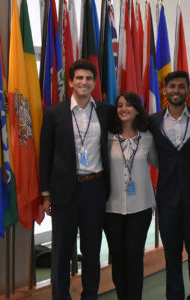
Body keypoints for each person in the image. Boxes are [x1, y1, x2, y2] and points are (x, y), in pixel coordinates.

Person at [39, 59, 114, 299]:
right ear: (70, 82)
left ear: (94, 83)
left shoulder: (105, 111)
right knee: (61, 251)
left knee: (92, 249)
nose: (84, 82)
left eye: (89, 78)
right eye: (79, 78)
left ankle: (90, 294)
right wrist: (45, 194)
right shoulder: (54, 113)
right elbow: (45, 155)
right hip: (64, 192)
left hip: (95, 188)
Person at [148, 71, 190, 300]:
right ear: (165, 90)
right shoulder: (152, 120)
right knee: (171, 256)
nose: (176, 90)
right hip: (167, 200)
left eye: (181, 87)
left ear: (188, 90)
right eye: (172, 86)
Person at [104, 92, 158, 300]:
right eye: (119, 105)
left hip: (141, 207)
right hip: (112, 208)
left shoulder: (148, 137)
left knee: (134, 256)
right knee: (118, 258)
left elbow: (159, 162)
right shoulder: (108, 138)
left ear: (137, 109)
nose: (123, 109)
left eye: (128, 105)